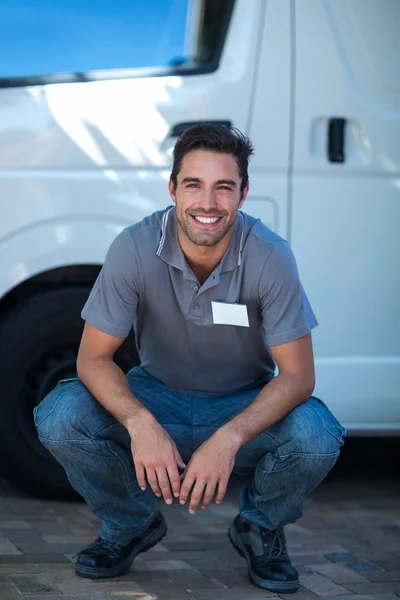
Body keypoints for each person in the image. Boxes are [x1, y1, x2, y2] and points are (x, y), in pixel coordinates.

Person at [33, 124, 345, 593]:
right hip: (156, 395)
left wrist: (230, 436)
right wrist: (140, 423)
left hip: (241, 402)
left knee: (317, 436)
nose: (208, 202)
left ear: (243, 194)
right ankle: (129, 524)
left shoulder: (270, 257)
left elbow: (299, 376)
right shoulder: (134, 248)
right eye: (194, 184)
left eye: (224, 187)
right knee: (60, 415)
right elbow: (93, 359)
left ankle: (259, 527)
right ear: (172, 187)